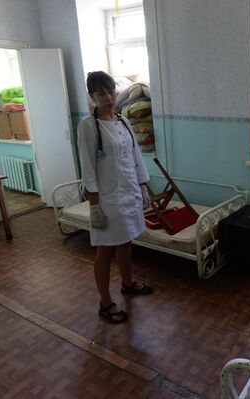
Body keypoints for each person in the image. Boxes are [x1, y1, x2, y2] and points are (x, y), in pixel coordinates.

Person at [78, 71, 153, 324]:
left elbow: (135, 157)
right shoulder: (89, 126)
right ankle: (105, 303)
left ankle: (128, 283)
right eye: (101, 93)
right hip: (107, 199)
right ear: (92, 97)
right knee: (105, 250)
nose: (109, 97)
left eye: (111, 91)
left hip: (128, 192)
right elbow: (88, 167)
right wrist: (95, 205)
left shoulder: (123, 121)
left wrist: (143, 186)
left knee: (127, 241)